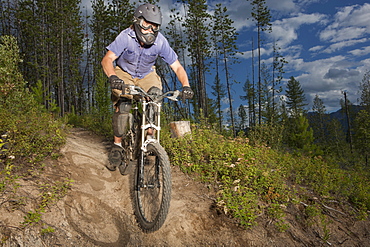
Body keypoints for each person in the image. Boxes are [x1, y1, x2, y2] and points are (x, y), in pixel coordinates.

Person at [101, 3, 194, 171]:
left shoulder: (160, 41)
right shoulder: (125, 36)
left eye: (155, 26)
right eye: (146, 25)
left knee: (155, 97)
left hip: (146, 74)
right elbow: (107, 59)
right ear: (137, 21)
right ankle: (117, 146)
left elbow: (178, 67)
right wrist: (113, 77)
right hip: (124, 73)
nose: (150, 30)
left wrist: (186, 86)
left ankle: (149, 140)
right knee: (123, 104)